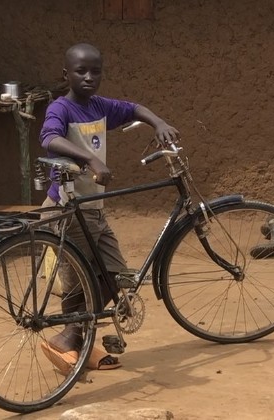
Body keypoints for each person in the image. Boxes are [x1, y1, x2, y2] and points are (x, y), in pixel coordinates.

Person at [38, 43, 180, 372]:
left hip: (92, 208)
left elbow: (133, 109)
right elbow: (48, 138)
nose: (89, 77)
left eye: (95, 71)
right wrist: (88, 158)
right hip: (68, 208)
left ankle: (77, 339)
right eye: (80, 71)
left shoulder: (100, 106)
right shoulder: (62, 108)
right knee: (80, 280)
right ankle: (70, 339)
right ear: (66, 75)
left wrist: (157, 123)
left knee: (115, 276)